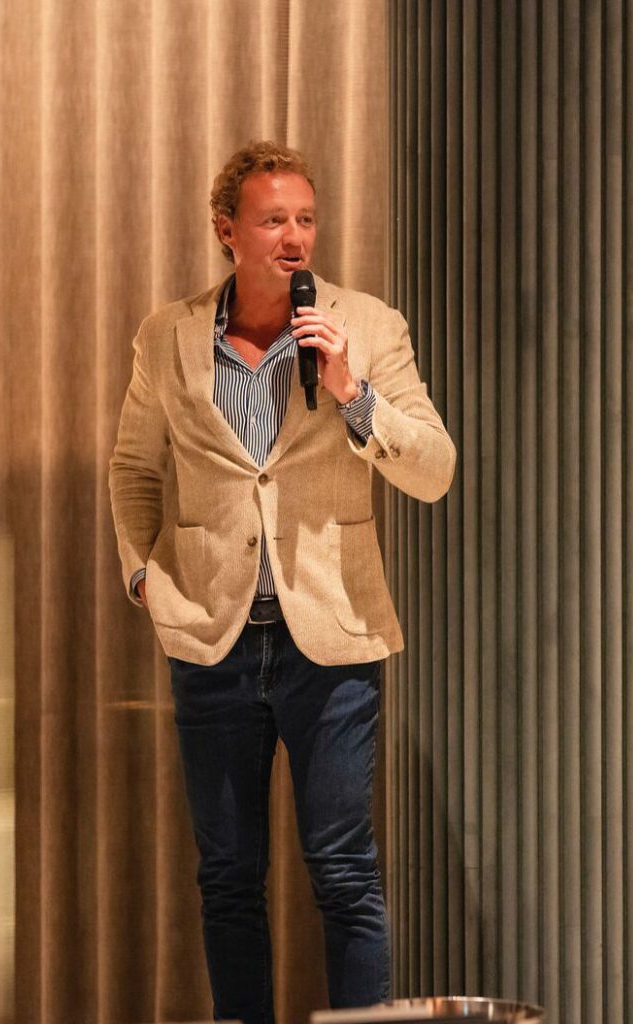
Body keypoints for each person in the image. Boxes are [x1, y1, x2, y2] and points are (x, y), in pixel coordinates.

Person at [109, 140, 455, 1024]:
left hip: (332, 640)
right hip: (211, 637)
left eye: (305, 218)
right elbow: (134, 469)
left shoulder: (367, 325)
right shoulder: (168, 335)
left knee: (344, 872)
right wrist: (144, 576)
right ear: (227, 230)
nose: (295, 237)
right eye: (273, 220)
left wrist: (353, 392)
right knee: (228, 876)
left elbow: (435, 469)